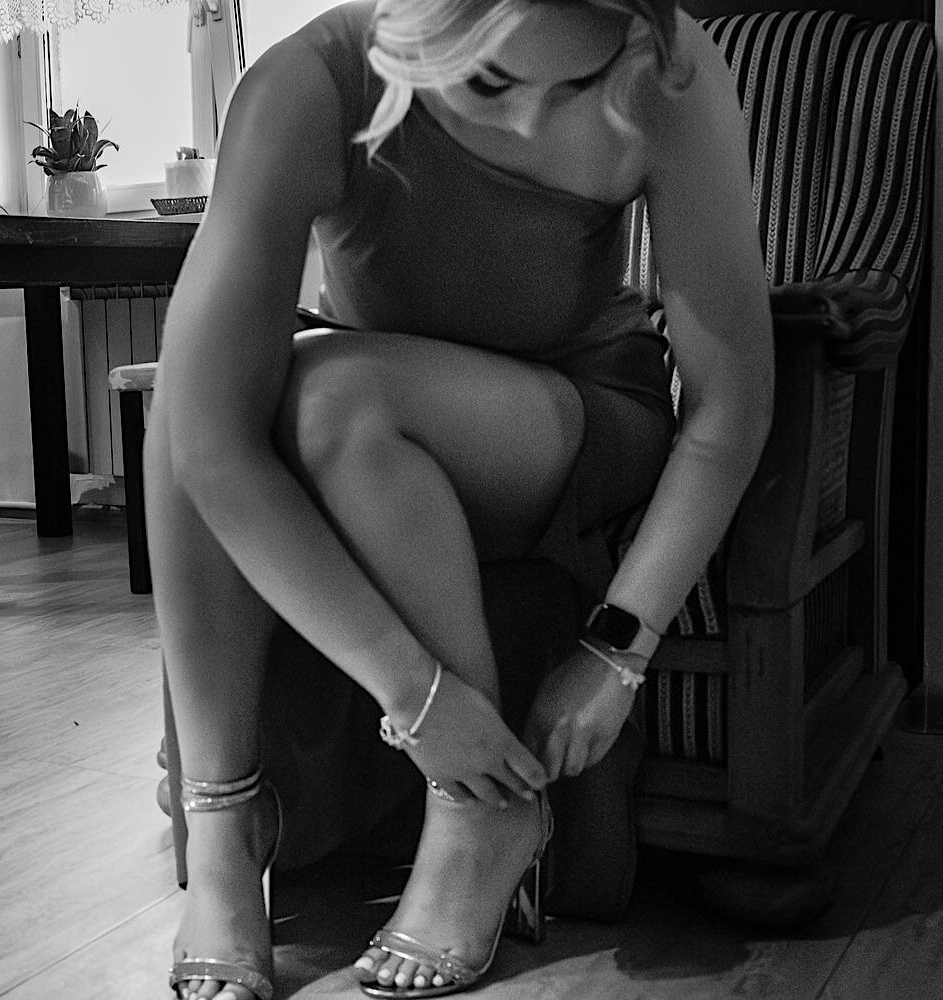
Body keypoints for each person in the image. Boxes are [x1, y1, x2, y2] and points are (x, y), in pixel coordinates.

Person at [150, 1, 772, 998]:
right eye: (487, 79)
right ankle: (224, 822)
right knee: (194, 399)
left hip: (571, 412)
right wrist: (416, 696)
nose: (529, 119)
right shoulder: (304, 83)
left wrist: (619, 648)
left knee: (335, 398)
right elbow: (209, 446)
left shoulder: (666, 65)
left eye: (575, 84)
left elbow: (730, 406)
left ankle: (481, 812)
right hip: (372, 422)